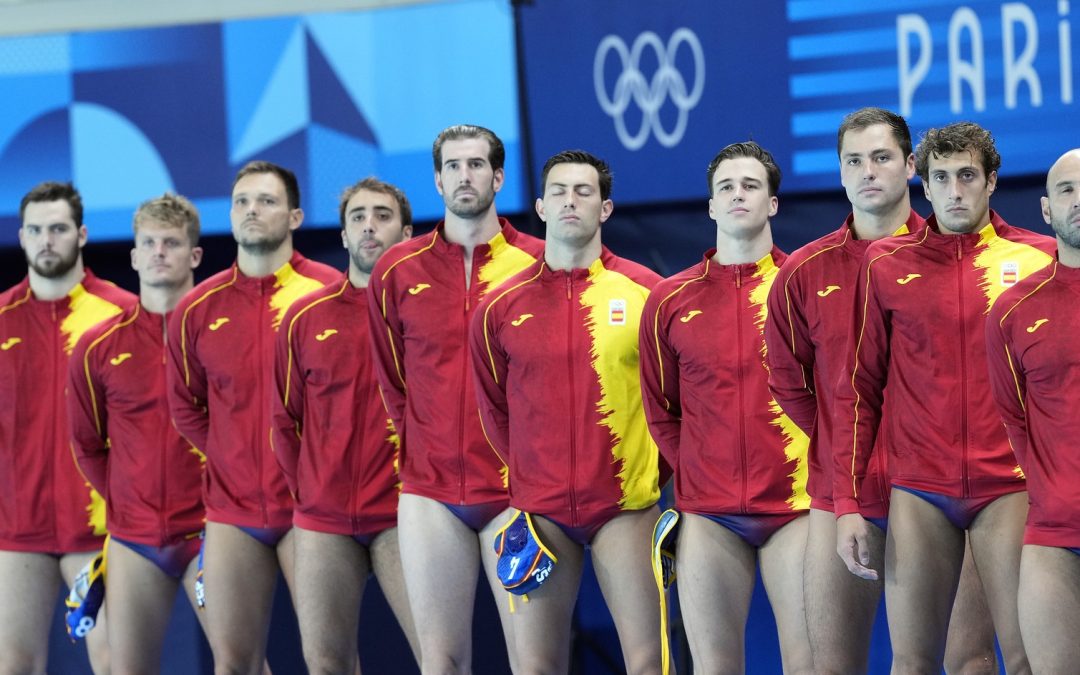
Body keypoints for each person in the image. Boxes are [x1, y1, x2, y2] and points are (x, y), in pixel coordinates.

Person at [764, 108, 998, 673]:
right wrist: (842, 448)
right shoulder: (802, 271)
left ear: (911, 166)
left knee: (966, 659)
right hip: (846, 490)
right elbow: (789, 380)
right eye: (854, 161)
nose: (869, 172)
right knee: (833, 664)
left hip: (949, 486)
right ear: (840, 173)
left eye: (883, 157)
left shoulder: (964, 248)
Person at [833, 121, 1055, 673]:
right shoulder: (885, 264)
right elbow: (860, 389)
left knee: (1026, 658)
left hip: (1010, 485)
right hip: (919, 492)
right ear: (924, 186)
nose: (955, 191)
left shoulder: (1039, 258)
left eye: (967, 176)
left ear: (992, 181)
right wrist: (848, 503)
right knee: (911, 663)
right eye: (941, 178)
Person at [473, 149, 663, 674]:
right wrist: (531, 479)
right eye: (558, 191)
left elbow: (674, 403)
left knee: (650, 664)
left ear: (606, 209)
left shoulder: (648, 293)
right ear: (539, 206)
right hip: (540, 512)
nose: (570, 201)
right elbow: (493, 407)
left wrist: (650, 473)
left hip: (626, 504)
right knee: (535, 668)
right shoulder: (500, 306)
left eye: (584, 192)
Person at [366, 124, 543, 673]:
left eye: (475, 164)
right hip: (428, 495)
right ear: (437, 182)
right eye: (452, 166)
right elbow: (394, 382)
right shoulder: (395, 271)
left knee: (534, 663)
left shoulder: (539, 263)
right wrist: (427, 440)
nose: (464, 175)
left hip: (519, 493)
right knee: (440, 663)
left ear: (499, 176)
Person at [641, 141, 812, 673]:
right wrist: (696, 469)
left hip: (799, 506)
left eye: (751, 185)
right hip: (709, 515)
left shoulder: (804, 287)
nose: (739, 195)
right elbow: (660, 406)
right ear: (711, 205)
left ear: (773, 204)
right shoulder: (669, 300)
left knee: (810, 664)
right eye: (726, 187)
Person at [168, 161, 339, 673]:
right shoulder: (196, 309)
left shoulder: (329, 293)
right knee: (234, 663)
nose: (250, 211)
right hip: (231, 513)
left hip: (313, 510)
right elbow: (187, 407)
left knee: (328, 660)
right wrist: (231, 454)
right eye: (241, 201)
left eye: (265, 201)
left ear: (295, 216)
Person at [272, 177, 419, 673]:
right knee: (326, 664)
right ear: (342, 236)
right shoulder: (304, 317)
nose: (369, 226)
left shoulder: (432, 314)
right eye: (357, 217)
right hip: (322, 522)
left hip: (406, 515)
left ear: (406, 232)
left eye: (382, 215)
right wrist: (312, 491)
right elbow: (283, 420)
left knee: (440, 658)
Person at [68, 193, 207, 672]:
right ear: (133, 256)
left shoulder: (218, 331)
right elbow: (87, 444)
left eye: (171, 242)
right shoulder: (97, 347)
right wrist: (127, 499)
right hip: (134, 538)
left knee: (242, 662)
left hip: (212, 531)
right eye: (148, 242)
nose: (159, 252)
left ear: (194, 255)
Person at [0, 181, 135, 674]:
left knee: (118, 665)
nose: (46, 240)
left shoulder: (122, 313)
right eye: (35, 230)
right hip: (16, 531)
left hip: (103, 529)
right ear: (21, 237)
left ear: (80, 234)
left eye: (58, 229)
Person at [986, 148, 1080, 674]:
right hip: (1053, 539)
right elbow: (1013, 417)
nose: (1079, 200)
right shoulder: (1012, 310)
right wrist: (1051, 493)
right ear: (1046, 210)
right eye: (1067, 190)